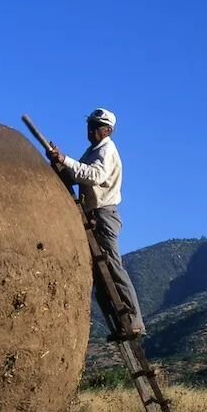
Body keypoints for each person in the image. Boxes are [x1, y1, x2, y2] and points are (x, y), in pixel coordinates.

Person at [47, 108, 146, 336]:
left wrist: (65, 160)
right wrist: (60, 163)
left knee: (112, 265)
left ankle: (133, 320)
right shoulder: (92, 151)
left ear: (108, 130)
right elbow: (77, 174)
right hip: (93, 214)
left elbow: (94, 176)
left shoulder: (107, 150)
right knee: (100, 274)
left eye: (96, 127)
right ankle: (119, 322)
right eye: (90, 126)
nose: (91, 131)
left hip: (104, 215)